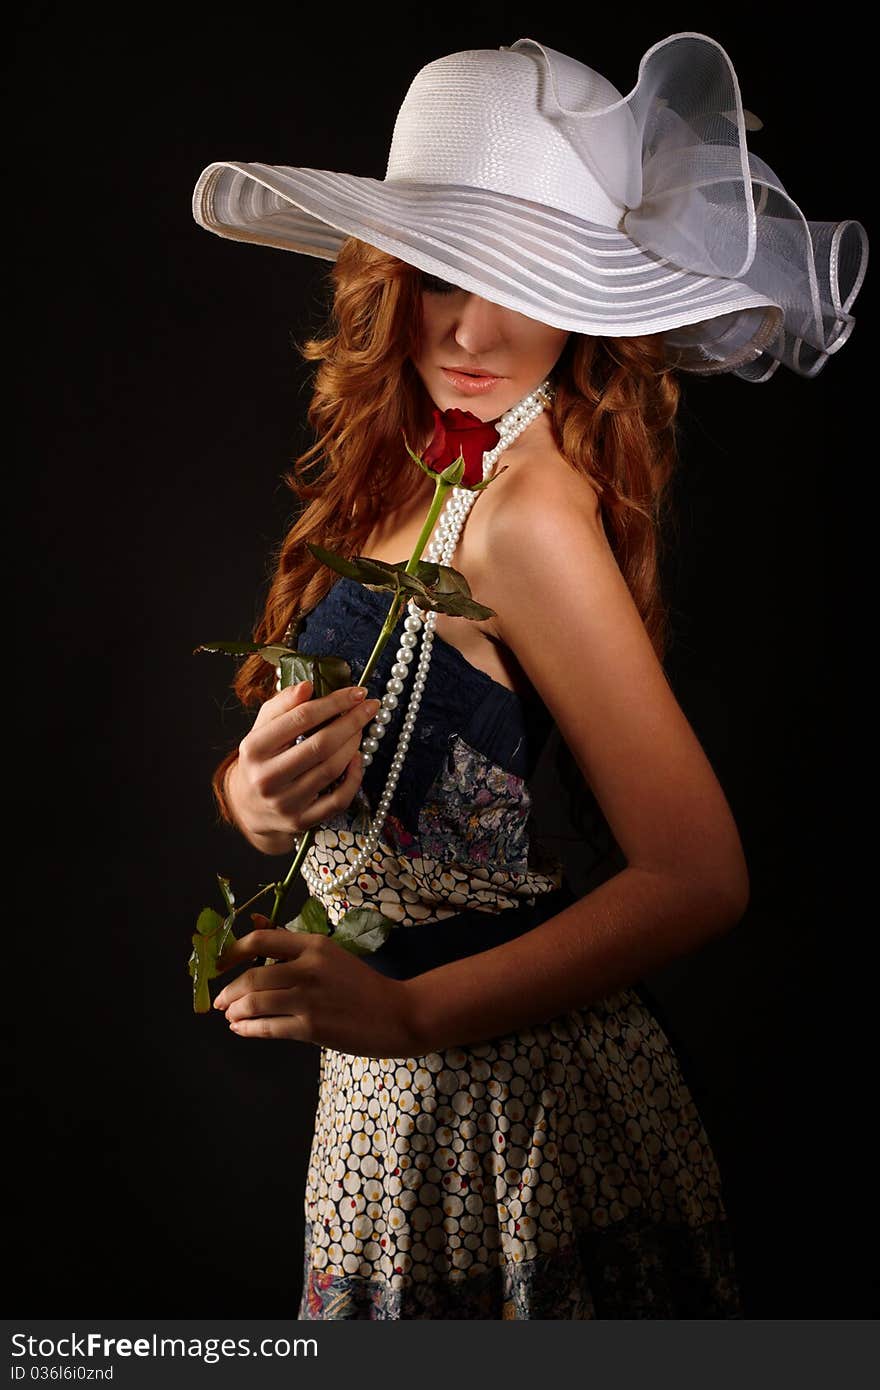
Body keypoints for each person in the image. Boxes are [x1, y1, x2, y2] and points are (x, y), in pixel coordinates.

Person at [193, 34, 867, 1319]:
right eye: (444, 267)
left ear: (590, 295)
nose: (468, 324)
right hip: (388, 1120)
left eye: (524, 274)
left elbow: (699, 873)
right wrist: (253, 797)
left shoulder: (527, 514)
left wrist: (408, 1019)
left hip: (515, 1126)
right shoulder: (413, 460)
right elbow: (318, 767)